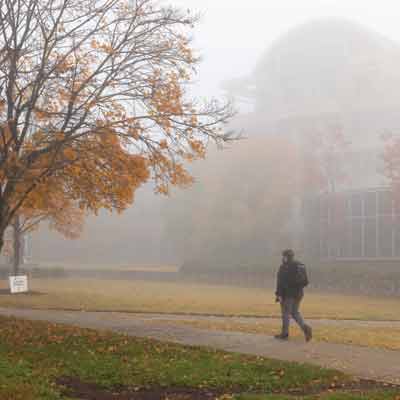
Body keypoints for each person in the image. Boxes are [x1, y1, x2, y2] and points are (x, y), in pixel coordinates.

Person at [274, 249, 312, 342]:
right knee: (295, 312)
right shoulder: (299, 265)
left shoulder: (284, 267)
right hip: (299, 294)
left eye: (283, 256)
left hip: (287, 295)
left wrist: (278, 294)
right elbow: (305, 281)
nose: (282, 258)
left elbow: (280, 283)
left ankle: (285, 333)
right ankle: (305, 328)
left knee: (285, 314)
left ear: (286, 257)